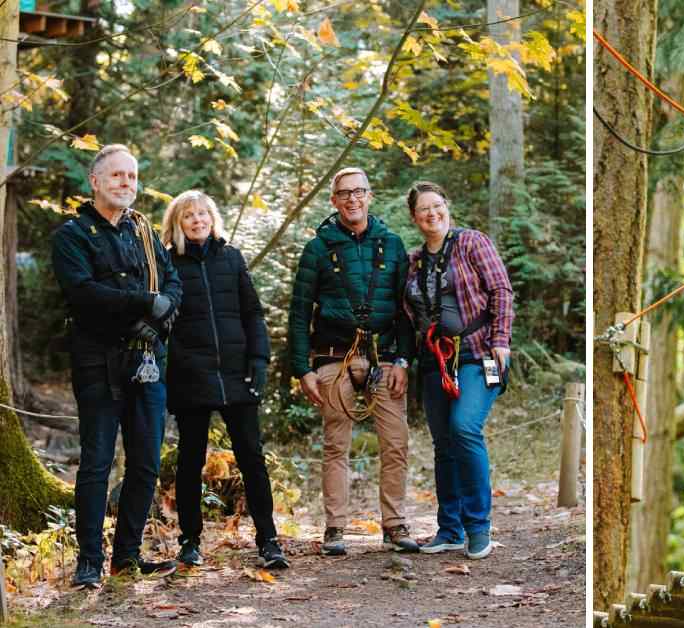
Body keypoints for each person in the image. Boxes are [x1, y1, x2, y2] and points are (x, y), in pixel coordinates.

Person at [51, 144, 182, 588]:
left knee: (145, 463)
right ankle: (89, 560)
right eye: (117, 176)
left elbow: (172, 283)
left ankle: (126, 557)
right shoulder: (72, 235)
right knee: (97, 463)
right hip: (97, 363)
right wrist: (145, 303)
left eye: (132, 176)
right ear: (95, 181)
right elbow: (84, 294)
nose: (127, 184)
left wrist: (158, 322)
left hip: (148, 361)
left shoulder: (143, 231)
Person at [288, 168, 418, 555]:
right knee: (335, 443)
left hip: (385, 357)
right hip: (333, 356)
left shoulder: (392, 244)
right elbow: (298, 313)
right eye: (344, 193)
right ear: (334, 200)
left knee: (396, 442)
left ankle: (395, 525)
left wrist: (404, 362)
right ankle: (335, 529)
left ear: (369, 195)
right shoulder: (318, 248)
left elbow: (405, 311)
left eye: (358, 191)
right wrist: (303, 368)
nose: (352, 199)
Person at [160, 191, 288, 569]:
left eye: (203, 213)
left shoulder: (230, 258)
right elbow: (164, 324)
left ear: (212, 218)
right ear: (177, 223)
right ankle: (190, 541)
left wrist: (259, 360)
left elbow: (253, 312)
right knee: (190, 460)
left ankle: (268, 540)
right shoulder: (168, 264)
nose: (197, 220)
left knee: (252, 457)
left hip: (237, 374)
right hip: (192, 377)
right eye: (189, 216)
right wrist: (180, 366)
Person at [402, 181, 513, 560]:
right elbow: (407, 314)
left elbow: (501, 290)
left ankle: (478, 526)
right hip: (434, 360)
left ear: (446, 206)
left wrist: (501, 339)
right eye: (423, 209)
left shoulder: (472, 242)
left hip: (480, 353)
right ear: (414, 217)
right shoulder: (414, 261)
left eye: (437, 205)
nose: (432, 213)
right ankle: (449, 529)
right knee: (443, 443)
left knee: (464, 427)